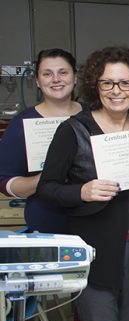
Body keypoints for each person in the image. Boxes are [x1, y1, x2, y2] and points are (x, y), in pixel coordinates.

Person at [36, 46, 129, 321]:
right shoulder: (73, 130)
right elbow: (47, 188)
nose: (117, 90)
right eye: (107, 82)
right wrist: (82, 191)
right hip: (94, 252)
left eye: (125, 82)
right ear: (97, 86)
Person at [0, 48, 84, 234]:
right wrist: (45, 179)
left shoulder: (94, 116)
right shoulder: (21, 124)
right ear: (38, 81)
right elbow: (5, 183)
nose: (56, 79)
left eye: (63, 72)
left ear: (75, 77)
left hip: (97, 224)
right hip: (48, 225)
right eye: (47, 74)